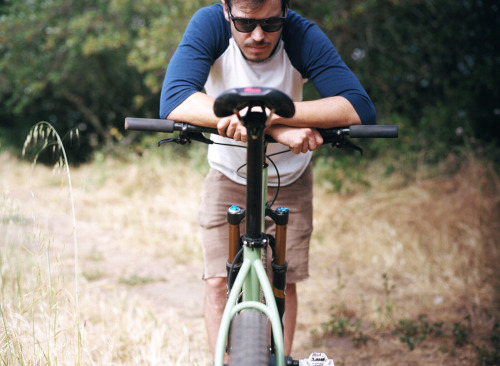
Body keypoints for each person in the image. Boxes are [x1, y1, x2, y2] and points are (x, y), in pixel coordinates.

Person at [159, 0, 376, 358]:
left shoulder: (300, 33)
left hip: (290, 177)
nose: (258, 35)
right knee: (217, 281)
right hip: (229, 172)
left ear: (285, 12)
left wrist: (274, 119)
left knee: (282, 281)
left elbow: (358, 106)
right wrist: (243, 116)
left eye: (271, 23)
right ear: (227, 11)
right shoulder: (209, 25)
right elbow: (175, 99)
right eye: (245, 24)